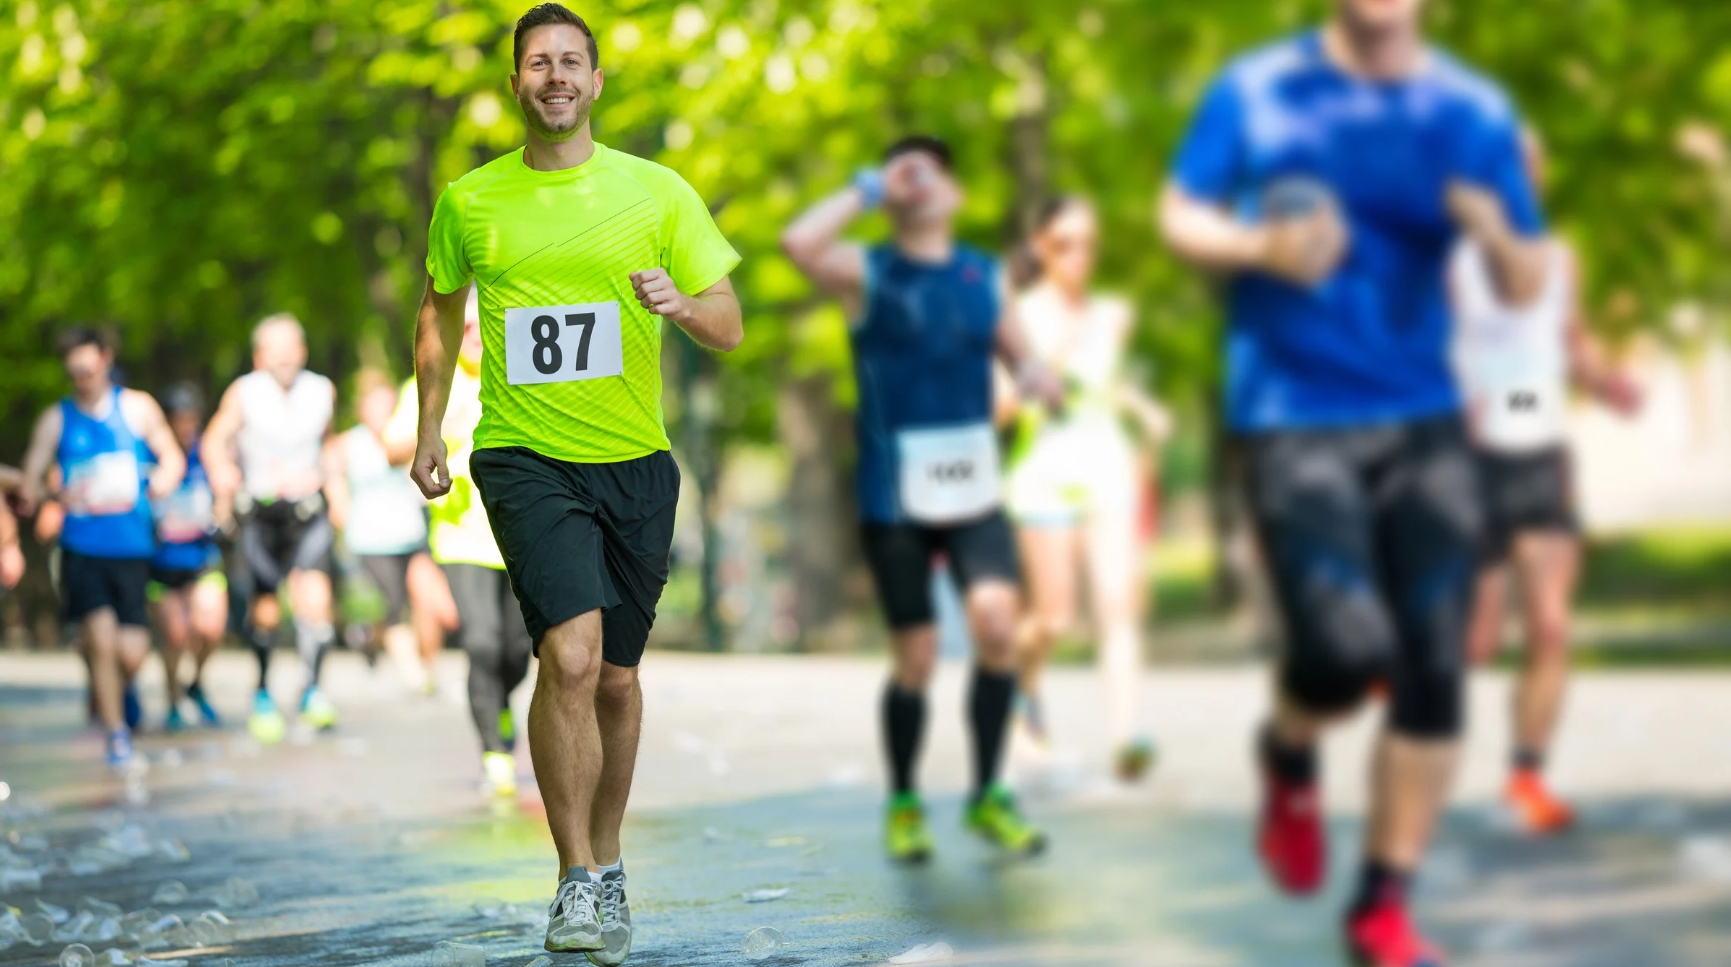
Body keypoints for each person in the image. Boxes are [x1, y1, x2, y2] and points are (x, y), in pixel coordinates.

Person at [1157, 0, 1550, 963]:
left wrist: (1493, 233)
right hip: (1291, 413)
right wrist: (1259, 248)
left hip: (1421, 412)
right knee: (1340, 651)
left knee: (1433, 661)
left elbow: (1528, 278)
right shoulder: (1256, 90)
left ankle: (1382, 902)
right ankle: (1288, 748)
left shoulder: (1470, 111)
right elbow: (1180, 213)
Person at [409, 5, 741, 961]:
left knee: (621, 682)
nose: (554, 76)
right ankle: (574, 878)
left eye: (570, 62)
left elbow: (729, 321)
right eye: (536, 63)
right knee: (573, 653)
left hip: (635, 462)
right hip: (524, 456)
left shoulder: (656, 193)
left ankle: (610, 856)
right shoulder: (470, 201)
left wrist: (681, 303)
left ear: (595, 83)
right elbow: (437, 315)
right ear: (515, 83)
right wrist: (431, 427)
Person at [781, 135, 1062, 864]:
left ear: (955, 194)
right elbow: (796, 240)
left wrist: (1034, 375)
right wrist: (869, 186)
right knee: (918, 654)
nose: (920, 186)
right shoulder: (866, 271)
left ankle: (986, 794)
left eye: (931, 174)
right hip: (893, 495)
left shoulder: (983, 275)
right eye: (908, 177)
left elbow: (1018, 349)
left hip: (974, 488)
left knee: (998, 627)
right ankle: (904, 798)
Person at [1454, 132, 1641, 836]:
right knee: (1473, 642)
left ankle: (1526, 773)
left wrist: (1603, 381)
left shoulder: (1562, 258)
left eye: (1531, 167)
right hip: (1471, 458)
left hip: (1539, 457)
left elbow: (1570, 342)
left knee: (1550, 622)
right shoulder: (1453, 262)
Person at [1004, 196, 1172, 784]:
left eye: (1087, 244)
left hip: (1106, 464)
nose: (1078, 256)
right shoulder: (1018, 313)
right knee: (1053, 619)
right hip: (1043, 474)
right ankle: (1024, 695)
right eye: (1064, 244)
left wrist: (1143, 408)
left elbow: (1107, 383)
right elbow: (1000, 406)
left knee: (1116, 599)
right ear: (1041, 248)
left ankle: (1126, 736)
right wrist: (1045, 360)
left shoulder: (1113, 313)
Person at [388, 289, 535, 797]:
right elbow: (390, 445)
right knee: (481, 642)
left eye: (481, 327)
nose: (473, 337)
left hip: (518, 534)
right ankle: (495, 750)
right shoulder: (435, 380)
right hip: (461, 538)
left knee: (519, 649)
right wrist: (429, 429)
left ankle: (497, 703)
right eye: (466, 328)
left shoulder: (520, 373)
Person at [20, 329, 185, 768]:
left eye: (88, 370)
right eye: (73, 373)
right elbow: (32, 477)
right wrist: (51, 495)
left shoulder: (137, 408)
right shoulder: (56, 419)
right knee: (102, 638)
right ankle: (117, 736)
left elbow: (171, 457)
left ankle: (109, 684)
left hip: (132, 548)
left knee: (130, 651)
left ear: (106, 361)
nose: (82, 380)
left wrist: (163, 481)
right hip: (82, 549)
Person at [203, 313, 340, 741]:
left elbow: (330, 443)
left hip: (307, 510)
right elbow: (213, 441)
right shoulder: (245, 392)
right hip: (261, 513)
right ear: (260, 355)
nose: (284, 357)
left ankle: (312, 690)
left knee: (316, 598)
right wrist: (222, 474)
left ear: (302, 351)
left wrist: (336, 486)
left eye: (291, 347)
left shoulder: (322, 390)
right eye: (274, 349)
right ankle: (262, 690)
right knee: (266, 610)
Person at [326, 370, 451, 695]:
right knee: (393, 605)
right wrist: (338, 507)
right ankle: (416, 677)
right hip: (371, 540)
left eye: (388, 407)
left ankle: (374, 641)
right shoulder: (347, 444)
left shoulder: (409, 440)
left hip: (410, 534)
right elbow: (331, 476)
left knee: (429, 601)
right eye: (375, 408)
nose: (382, 415)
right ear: (362, 411)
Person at [149, 383, 227, 731]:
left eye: (190, 421)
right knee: (176, 634)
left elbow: (225, 489)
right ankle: (172, 699)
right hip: (161, 562)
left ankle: (195, 682)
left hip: (202, 556)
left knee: (210, 628)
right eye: (177, 421)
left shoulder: (207, 453)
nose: (184, 428)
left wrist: (224, 508)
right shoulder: (149, 454)